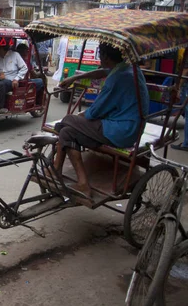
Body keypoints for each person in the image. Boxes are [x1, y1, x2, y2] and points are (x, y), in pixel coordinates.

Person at [53, 44, 149, 203]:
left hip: (121, 131)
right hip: (128, 126)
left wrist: (82, 116)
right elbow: (102, 72)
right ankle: (82, 183)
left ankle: (56, 167)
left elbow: (93, 113)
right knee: (67, 132)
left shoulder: (118, 78)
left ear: (104, 56)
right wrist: (74, 78)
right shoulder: (127, 68)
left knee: (68, 120)